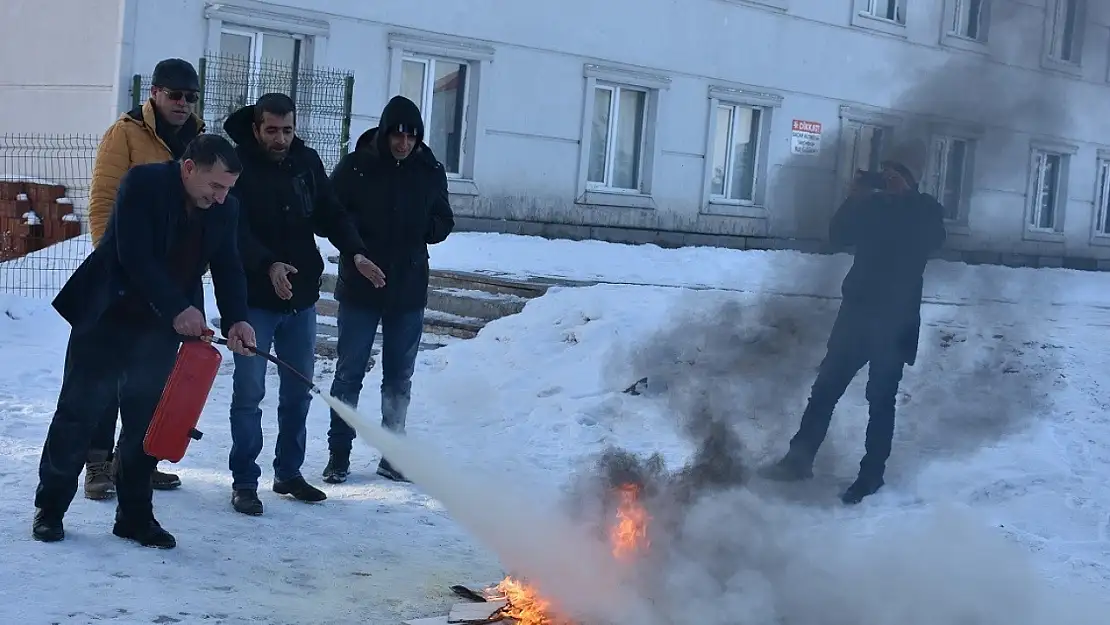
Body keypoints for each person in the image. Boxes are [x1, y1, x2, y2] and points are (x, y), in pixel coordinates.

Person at [32, 135, 257, 548]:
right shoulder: (143, 184)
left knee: (147, 424)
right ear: (189, 168)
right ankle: (50, 510)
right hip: (107, 317)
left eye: (228, 189)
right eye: (215, 186)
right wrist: (177, 307)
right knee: (78, 414)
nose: (222, 197)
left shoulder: (227, 209)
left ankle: (134, 517)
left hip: (159, 333)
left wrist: (238, 318)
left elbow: (228, 265)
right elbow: (134, 255)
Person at [222, 93, 386, 516]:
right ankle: (244, 480)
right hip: (254, 300)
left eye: (288, 130)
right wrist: (267, 264)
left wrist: (357, 252)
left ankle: (288, 473)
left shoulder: (306, 161)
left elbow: (331, 213)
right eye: (272, 131)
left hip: (301, 298)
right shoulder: (236, 166)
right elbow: (231, 232)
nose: (280, 139)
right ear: (256, 128)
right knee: (249, 393)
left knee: (298, 391)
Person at [759, 139, 947, 505]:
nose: (889, 180)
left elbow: (930, 241)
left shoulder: (925, 211)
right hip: (856, 316)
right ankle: (799, 461)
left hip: (895, 323)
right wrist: (854, 198)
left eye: (897, 175)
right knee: (825, 390)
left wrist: (904, 198)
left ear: (910, 180)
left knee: (880, 401)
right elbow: (838, 236)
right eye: (887, 173)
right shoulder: (872, 206)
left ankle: (871, 475)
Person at [83, 58, 206, 499]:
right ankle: (97, 462)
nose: (183, 104)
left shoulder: (198, 138)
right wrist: (111, 265)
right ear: (154, 93)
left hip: (170, 282)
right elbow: (103, 200)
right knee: (112, 373)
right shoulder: (127, 133)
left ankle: (136, 460)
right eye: (174, 95)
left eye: (190, 97)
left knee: (154, 374)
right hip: (124, 273)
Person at [323, 95, 455, 484]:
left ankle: (392, 454)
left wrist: (426, 229)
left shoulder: (429, 169)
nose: (403, 143)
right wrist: (356, 250)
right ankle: (338, 454)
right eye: (397, 135)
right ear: (384, 133)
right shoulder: (356, 166)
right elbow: (331, 215)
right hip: (361, 285)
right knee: (349, 373)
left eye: (411, 137)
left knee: (399, 377)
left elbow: (443, 218)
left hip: (408, 287)